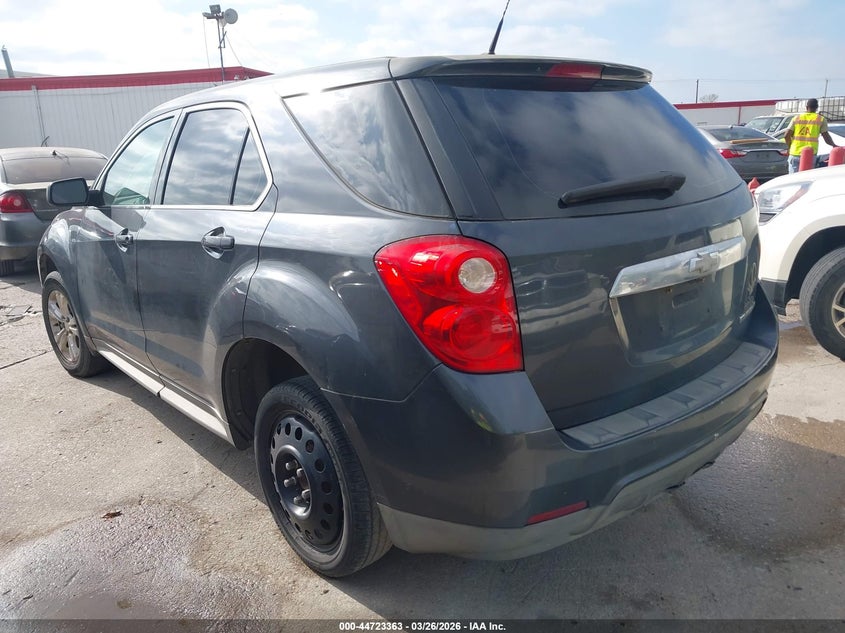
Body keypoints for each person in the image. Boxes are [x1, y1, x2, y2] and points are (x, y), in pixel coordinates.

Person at [783, 98, 840, 173]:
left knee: (794, 180)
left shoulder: (797, 118)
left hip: (795, 153)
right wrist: (834, 145)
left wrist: (789, 147)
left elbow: (786, 135)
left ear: (806, 107)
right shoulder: (821, 119)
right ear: (816, 108)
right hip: (810, 154)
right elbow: (826, 137)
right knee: (807, 178)